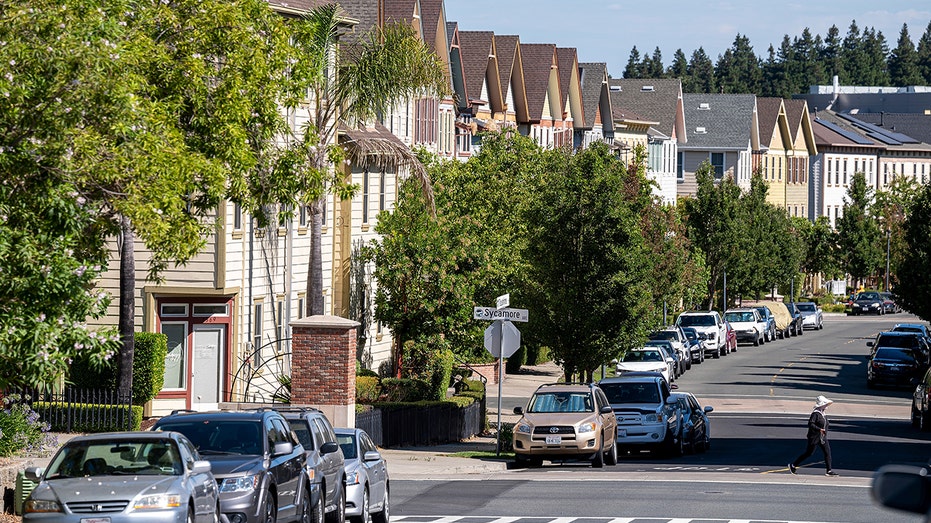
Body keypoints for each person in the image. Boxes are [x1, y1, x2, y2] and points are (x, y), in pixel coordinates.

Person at [789, 395, 838, 476]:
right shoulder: (816, 414)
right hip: (814, 437)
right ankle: (793, 465)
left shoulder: (823, 414)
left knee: (827, 453)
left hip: (822, 438)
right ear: (821, 405)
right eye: (825, 404)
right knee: (809, 453)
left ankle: (829, 470)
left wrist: (823, 432)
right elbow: (810, 424)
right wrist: (819, 429)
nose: (826, 406)